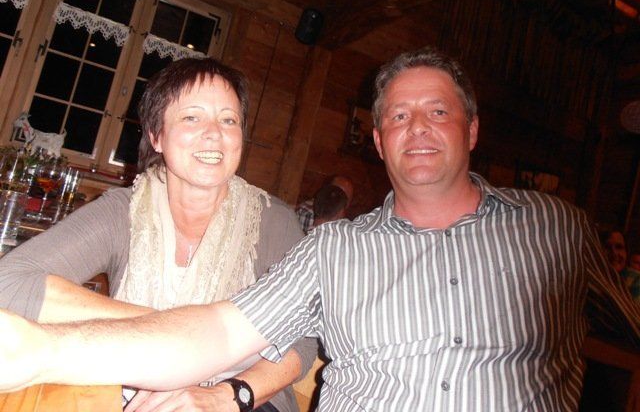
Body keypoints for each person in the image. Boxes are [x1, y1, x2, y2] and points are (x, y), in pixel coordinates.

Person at [1, 47, 639, 411]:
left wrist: (227, 391)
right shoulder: (339, 248)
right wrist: (73, 345)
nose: (418, 127)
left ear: (472, 130)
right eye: (399, 116)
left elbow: (295, 349)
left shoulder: (555, 227)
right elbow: (224, 331)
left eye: (438, 112)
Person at [0, 58, 316, 412]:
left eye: (229, 120)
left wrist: (227, 395)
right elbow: (8, 283)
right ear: (156, 135)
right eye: (192, 117)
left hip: (243, 398)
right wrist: (173, 336)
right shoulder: (123, 211)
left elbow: (302, 339)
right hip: (133, 395)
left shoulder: (274, 222)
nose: (214, 133)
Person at [601, 229, 640, 302]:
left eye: (619, 247)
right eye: (607, 247)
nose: (614, 253)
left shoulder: (635, 280)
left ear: (626, 253)